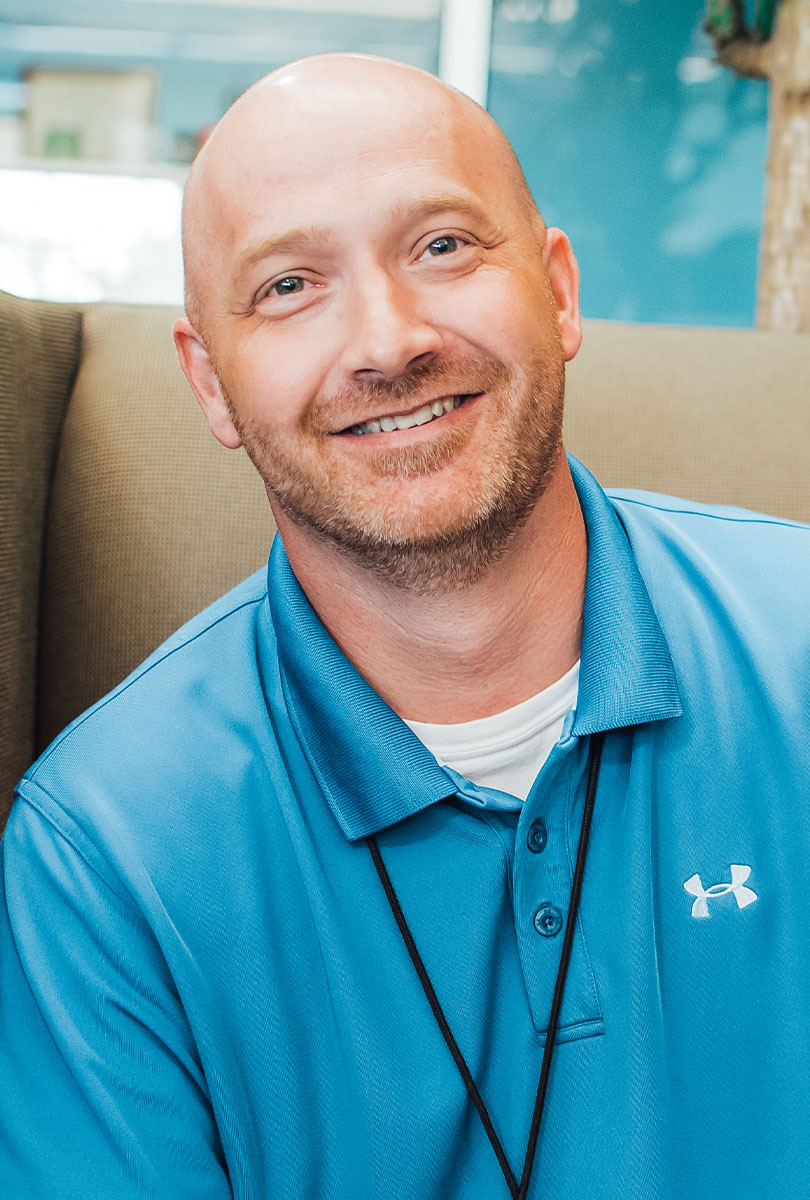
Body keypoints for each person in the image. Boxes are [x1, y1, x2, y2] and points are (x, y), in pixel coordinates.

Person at [1, 52, 809, 1200]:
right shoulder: (102, 859)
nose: (388, 342)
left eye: (442, 246)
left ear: (559, 292)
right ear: (211, 384)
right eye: (289, 284)